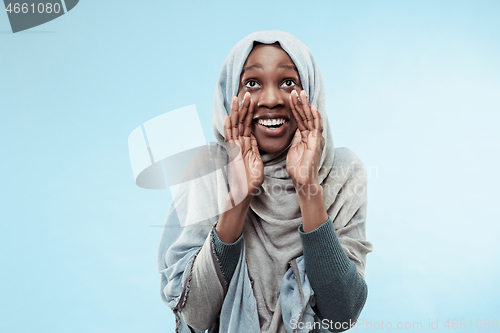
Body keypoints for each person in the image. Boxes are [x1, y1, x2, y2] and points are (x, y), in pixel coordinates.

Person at [157, 30, 373, 333]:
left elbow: (343, 311)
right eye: (252, 83)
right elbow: (195, 314)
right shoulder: (208, 168)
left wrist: (308, 187)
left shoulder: (343, 171)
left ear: (310, 91)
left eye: (288, 82)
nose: (271, 99)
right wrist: (239, 196)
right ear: (231, 95)